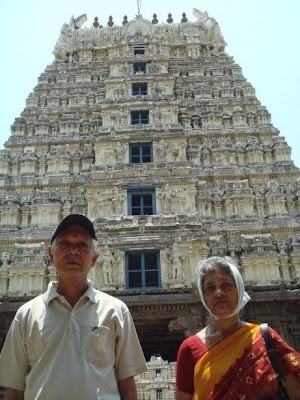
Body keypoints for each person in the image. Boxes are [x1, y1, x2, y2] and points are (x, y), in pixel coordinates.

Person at [0, 214, 147, 400]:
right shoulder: (26, 315)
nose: (73, 251)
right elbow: (14, 388)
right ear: (51, 255)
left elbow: (126, 382)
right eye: (64, 244)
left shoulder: (116, 311)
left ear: (94, 258)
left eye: (82, 245)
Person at [175, 256, 300, 400]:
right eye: (210, 288)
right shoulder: (190, 348)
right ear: (203, 296)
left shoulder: (265, 338)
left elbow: (295, 391)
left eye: (226, 285)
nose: (219, 293)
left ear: (239, 289)